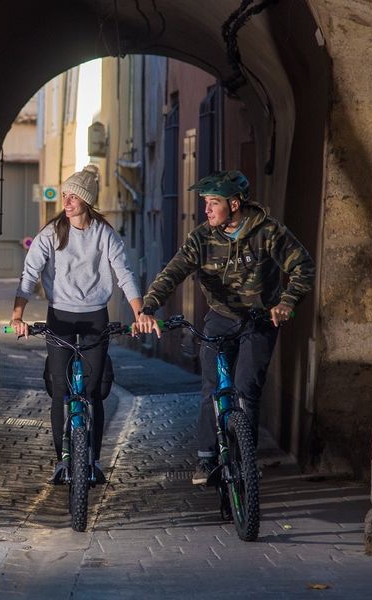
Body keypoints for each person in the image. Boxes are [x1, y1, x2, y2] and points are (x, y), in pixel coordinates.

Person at [134, 170, 315, 485]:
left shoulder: (268, 231)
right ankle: (206, 459)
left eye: (213, 203)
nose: (206, 209)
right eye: (205, 202)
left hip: (260, 320)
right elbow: (172, 273)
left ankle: (245, 460)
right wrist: (148, 308)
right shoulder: (201, 238)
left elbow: (303, 266)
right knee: (212, 388)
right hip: (220, 318)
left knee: (246, 389)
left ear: (234, 203)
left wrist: (287, 302)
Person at [10, 164, 143, 484]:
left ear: (87, 200)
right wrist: (17, 315)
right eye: (64, 195)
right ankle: (62, 461)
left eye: (73, 196)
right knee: (59, 389)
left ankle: (93, 461)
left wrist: (139, 312)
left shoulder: (104, 233)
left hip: (95, 316)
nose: (66, 201)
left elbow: (124, 273)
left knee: (94, 392)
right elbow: (29, 274)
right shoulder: (51, 233)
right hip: (60, 317)